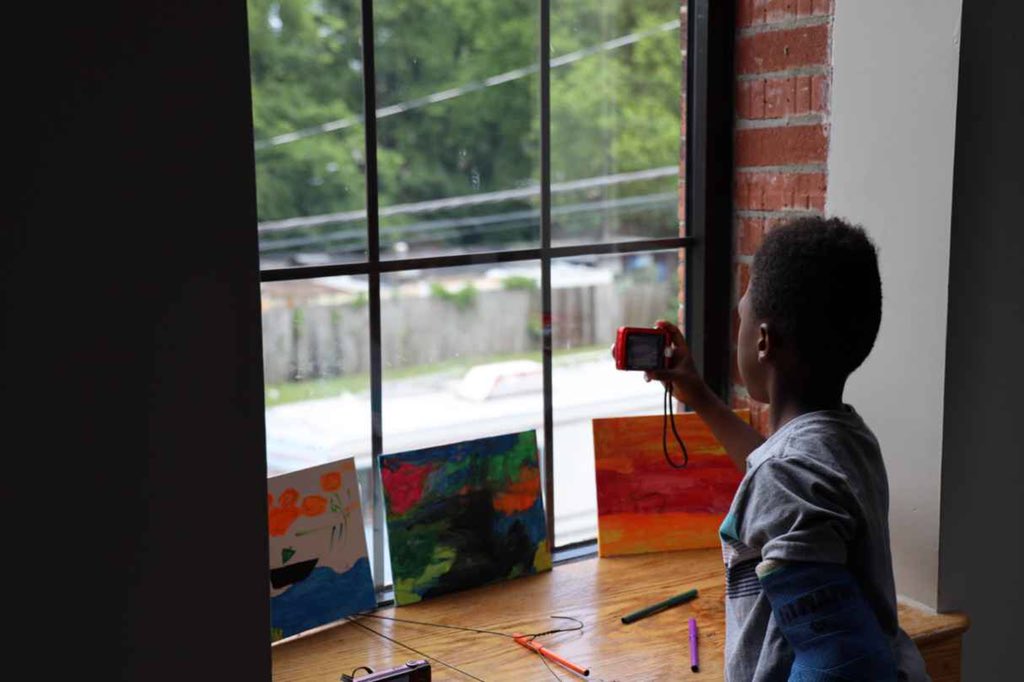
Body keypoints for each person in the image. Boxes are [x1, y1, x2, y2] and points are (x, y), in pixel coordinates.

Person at [647, 216, 929, 681]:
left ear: (763, 341)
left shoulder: (789, 476)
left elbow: (838, 664)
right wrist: (697, 394)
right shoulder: (846, 439)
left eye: (742, 314)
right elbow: (778, 473)